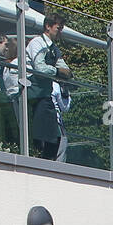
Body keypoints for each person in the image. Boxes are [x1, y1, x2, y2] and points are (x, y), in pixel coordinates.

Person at [27, 13, 68, 159]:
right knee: (45, 136)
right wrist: (57, 71)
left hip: (44, 93)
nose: (60, 31)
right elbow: (40, 68)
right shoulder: (37, 43)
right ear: (48, 26)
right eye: (58, 28)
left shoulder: (54, 49)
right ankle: (42, 162)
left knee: (53, 136)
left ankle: (45, 162)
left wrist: (62, 72)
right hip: (33, 93)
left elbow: (67, 71)